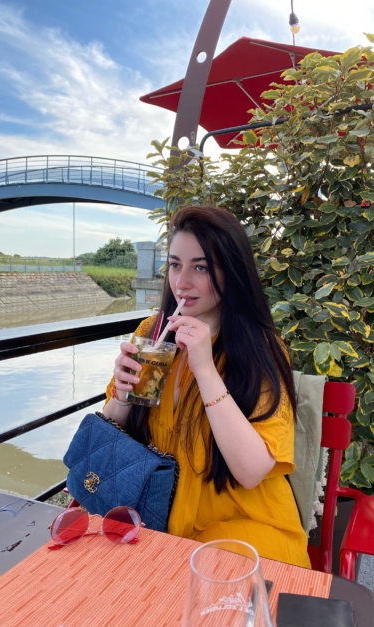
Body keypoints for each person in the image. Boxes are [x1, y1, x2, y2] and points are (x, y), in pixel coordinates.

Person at [101, 205, 310, 568]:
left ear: (231, 271)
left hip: (242, 529)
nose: (182, 282)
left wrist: (205, 369)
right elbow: (113, 427)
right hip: (157, 517)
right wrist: (121, 393)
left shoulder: (259, 348)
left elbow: (251, 471)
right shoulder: (152, 333)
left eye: (201, 267)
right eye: (175, 265)